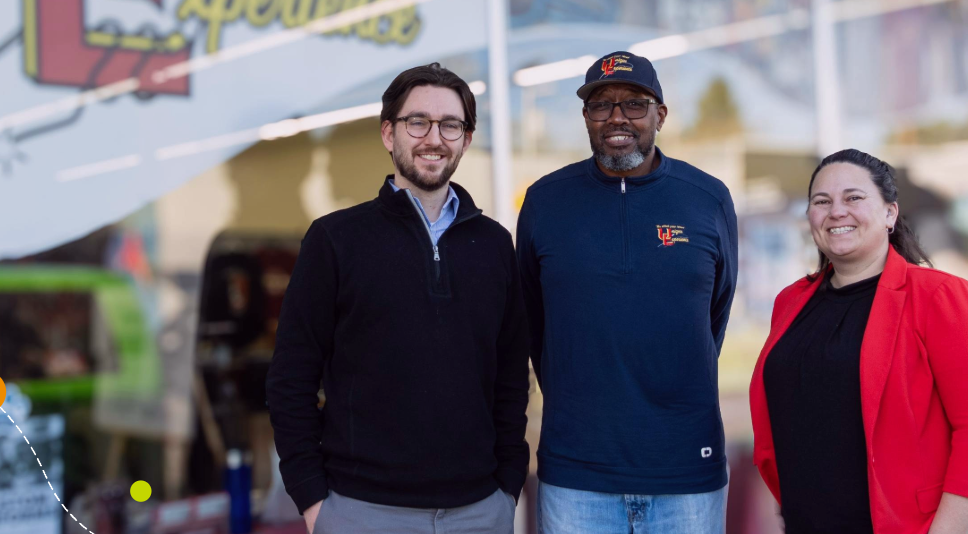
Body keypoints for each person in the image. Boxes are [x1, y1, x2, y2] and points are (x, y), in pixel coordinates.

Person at [266, 63, 529, 534]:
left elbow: (510, 378)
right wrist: (311, 499)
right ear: (389, 134)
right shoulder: (335, 240)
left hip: (479, 513)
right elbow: (291, 377)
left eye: (451, 125)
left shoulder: (493, 244)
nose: (434, 137)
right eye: (417, 121)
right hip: (361, 511)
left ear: (466, 140)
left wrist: (507, 487)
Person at [517, 50, 738, 533]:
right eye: (602, 104)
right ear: (586, 118)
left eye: (635, 104)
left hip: (687, 470)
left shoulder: (708, 198)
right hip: (576, 474)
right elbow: (534, 322)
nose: (617, 117)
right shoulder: (545, 201)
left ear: (660, 114)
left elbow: (712, 315)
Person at [749, 149, 968, 534]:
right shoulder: (790, 302)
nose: (836, 211)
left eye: (854, 198)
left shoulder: (940, 296)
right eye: (822, 202)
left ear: (890, 213)